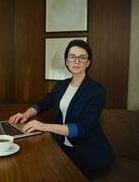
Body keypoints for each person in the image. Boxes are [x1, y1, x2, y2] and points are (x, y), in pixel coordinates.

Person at [9, 40, 114, 178]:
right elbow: (43, 103)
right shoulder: (61, 85)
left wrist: (45, 126)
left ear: (88, 63)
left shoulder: (97, 91)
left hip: (87, 152)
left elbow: (82, 128)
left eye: (82, 57)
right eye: (72, 57)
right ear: (66, 61)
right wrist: (26, 114)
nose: (76, 61)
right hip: (61, 146)